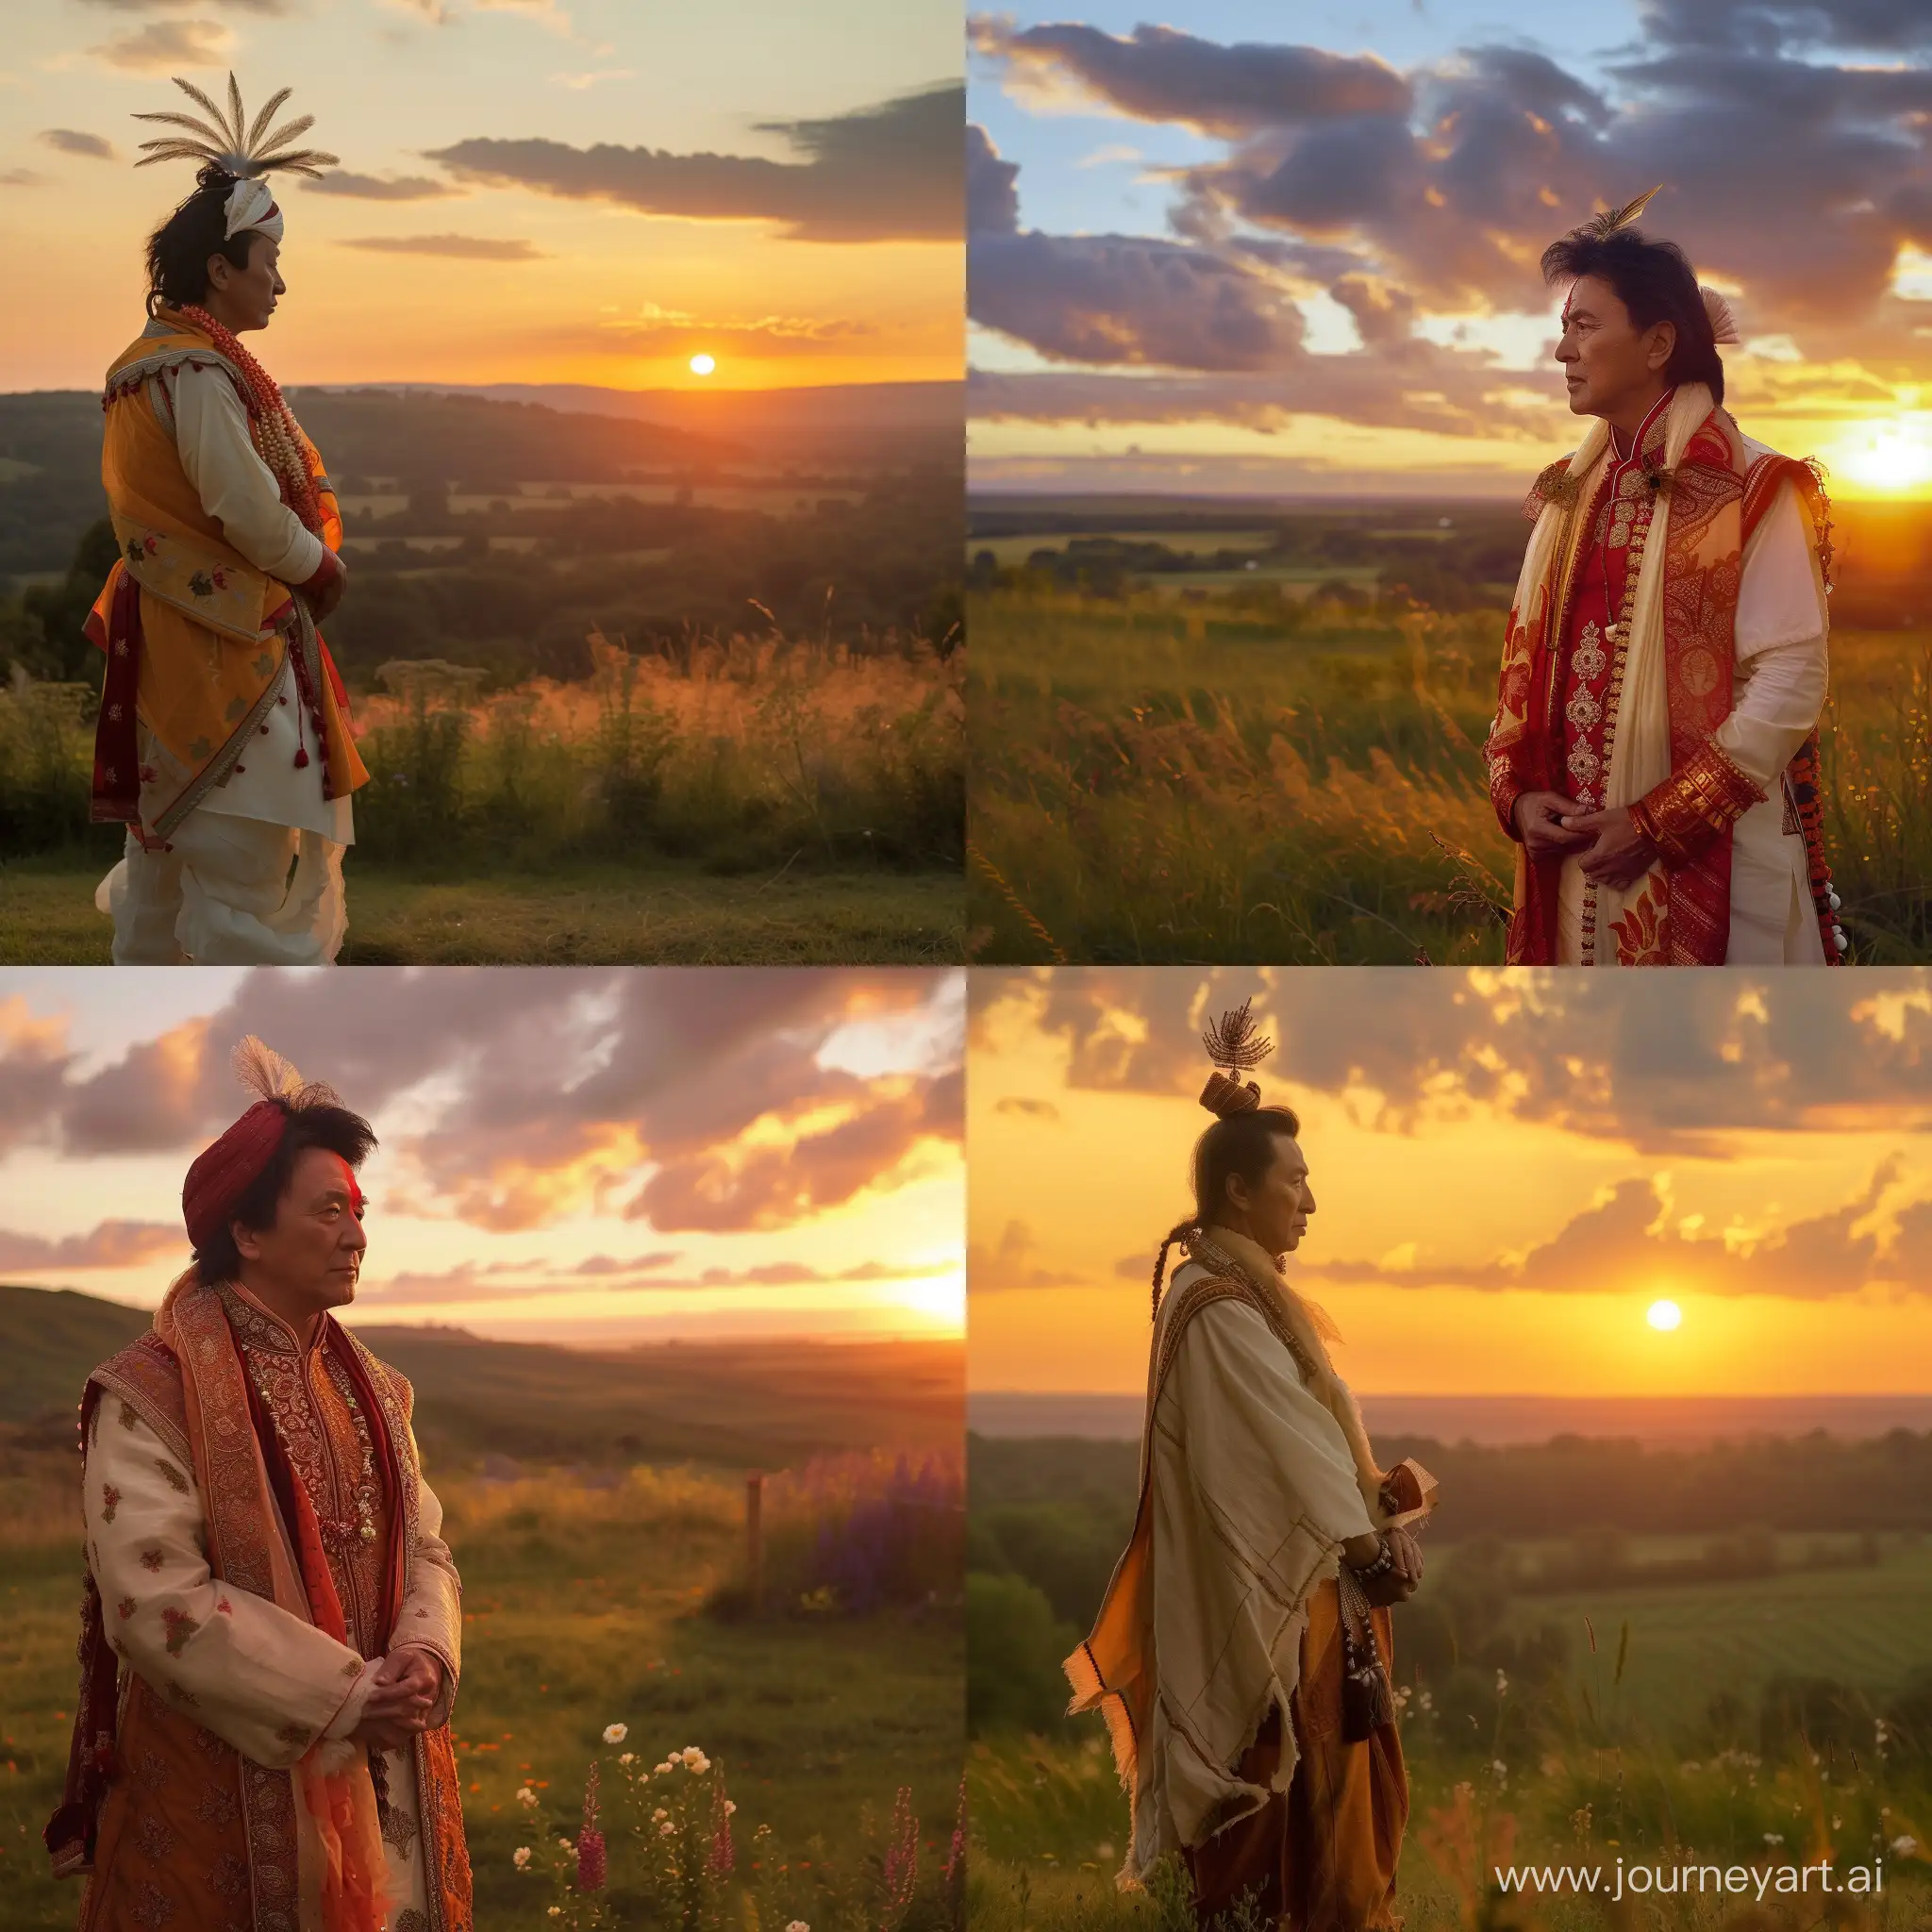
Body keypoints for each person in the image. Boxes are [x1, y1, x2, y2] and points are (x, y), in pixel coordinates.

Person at [45, 1038, 473, 1932]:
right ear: (244, 1231)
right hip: (224, 1789)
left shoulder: (378, 1388)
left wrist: (426, 1657)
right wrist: (352, 1698)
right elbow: (155, 1600)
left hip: (387, 1767)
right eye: (328, 1210)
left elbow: (425, 1543)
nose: (358, 1235)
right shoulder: (151, 1392)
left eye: (359, 1209)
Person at [1066, 1002, 1424, 1931]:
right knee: (1280, 1842)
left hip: (1304, 1604)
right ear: (1236, 1191)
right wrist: (1371, 1533)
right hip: (1274, 1620)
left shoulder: (1241, 1294)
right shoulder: (1217, 1304)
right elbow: (1294, 1449)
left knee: (1323, 1837)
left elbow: (1305, 1442)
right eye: (1293, 1182)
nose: (1307, 1201)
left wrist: (1373, 1502)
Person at [1483, 187, 1847, 966]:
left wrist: (1659, 823)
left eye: (1584, 326)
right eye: (1563, 328)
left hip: (1709, 862)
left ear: (1657, 345)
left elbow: (1791, 673)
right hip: (1573, 864)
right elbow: (1521, 662)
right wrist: (1517, 795)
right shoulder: (1568, 492)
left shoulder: (1754, 488)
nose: (1562, 351)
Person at [87, 73, 368, 964]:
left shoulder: (162, 362)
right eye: (269, 264)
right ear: (221, 268)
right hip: (222, 643)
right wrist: (316, 566)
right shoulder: (196, 373)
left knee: (167, 877)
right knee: (239, 869)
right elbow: (243, 504)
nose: (280, 284)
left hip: (174, 635)